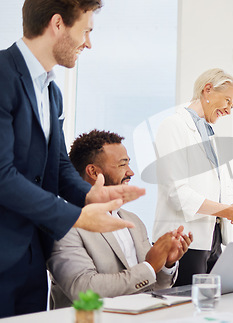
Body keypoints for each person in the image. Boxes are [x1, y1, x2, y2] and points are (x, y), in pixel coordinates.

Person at [0, 0, 145, 317]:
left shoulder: (52, 92)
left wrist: (90, 194)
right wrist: (77, 217)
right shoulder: (2, 76)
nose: (88, 44)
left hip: (32, 257)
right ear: (57, 24)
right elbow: (3, 176)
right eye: (86, 31)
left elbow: (59, 165)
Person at [47, 130, 193, 308]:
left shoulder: (134, 221)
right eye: (122, 165)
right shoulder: (66, 224)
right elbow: (83, 289)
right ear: (93, 171)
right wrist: (149, 266)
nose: (131, 172)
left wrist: (166, 263)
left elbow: (154, 287)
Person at [153, 68, 233, 286]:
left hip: (213, 239)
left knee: (213, 306)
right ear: (208, 90)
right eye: (228, 101)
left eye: (232, 105)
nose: (229, 110)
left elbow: (223, 187)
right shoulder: (173, 126)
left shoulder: (212, 136)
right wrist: (230, 211)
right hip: (183, 241)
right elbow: (177, 193)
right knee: (185, 311)